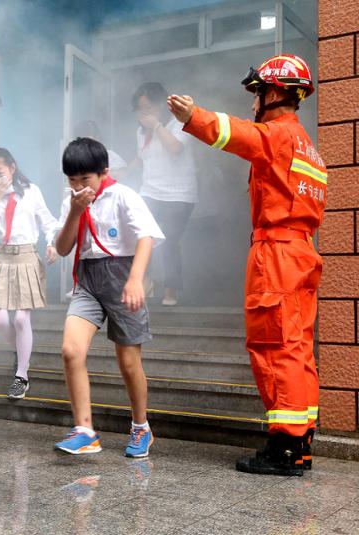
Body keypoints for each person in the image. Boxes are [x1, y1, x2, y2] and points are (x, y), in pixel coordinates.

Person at [168, 54, 324, 476]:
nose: (254, 102)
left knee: (275, 345)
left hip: (277, 254)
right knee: (297, 346)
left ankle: (284, 448)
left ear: (273, 94)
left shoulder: (279, 135)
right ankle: (301, 442)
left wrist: (193, 116)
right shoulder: (308, 147)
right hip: (301, 252)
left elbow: (236, 134)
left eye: (257, 93)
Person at [52, 138, 164, 458]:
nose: (78, 186)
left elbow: (146, 237)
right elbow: (63, 248)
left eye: (85, 179)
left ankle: (141, 426)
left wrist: (135, 279)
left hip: (122, 276)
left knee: (128, 363)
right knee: (71, 350)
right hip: (88, 279)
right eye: (72, 180)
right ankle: (85, 431)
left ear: (104, 172)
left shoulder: (124, 195)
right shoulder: (71, 201)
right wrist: (75, 210)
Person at [0, 148, 58, 398]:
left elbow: (48, 221)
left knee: (22, 319)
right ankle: (21, 350)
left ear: (12, 168)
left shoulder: (31, 191)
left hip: (26, 256)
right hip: (3, 258)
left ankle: (21, 375)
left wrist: (51, 243)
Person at [132, 82, 198, 306]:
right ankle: (144, 285)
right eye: (140, 109)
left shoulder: (180, 123)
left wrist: (157, 126)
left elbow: (175, 148)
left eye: (148, 108)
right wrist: (123, 172)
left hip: (179, 194)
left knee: (170, 239)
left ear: (161, 104)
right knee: (141, 235)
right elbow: (142, 158)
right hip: (149, 191)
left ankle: (171, 291)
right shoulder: (141, 132)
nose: (144, 113)